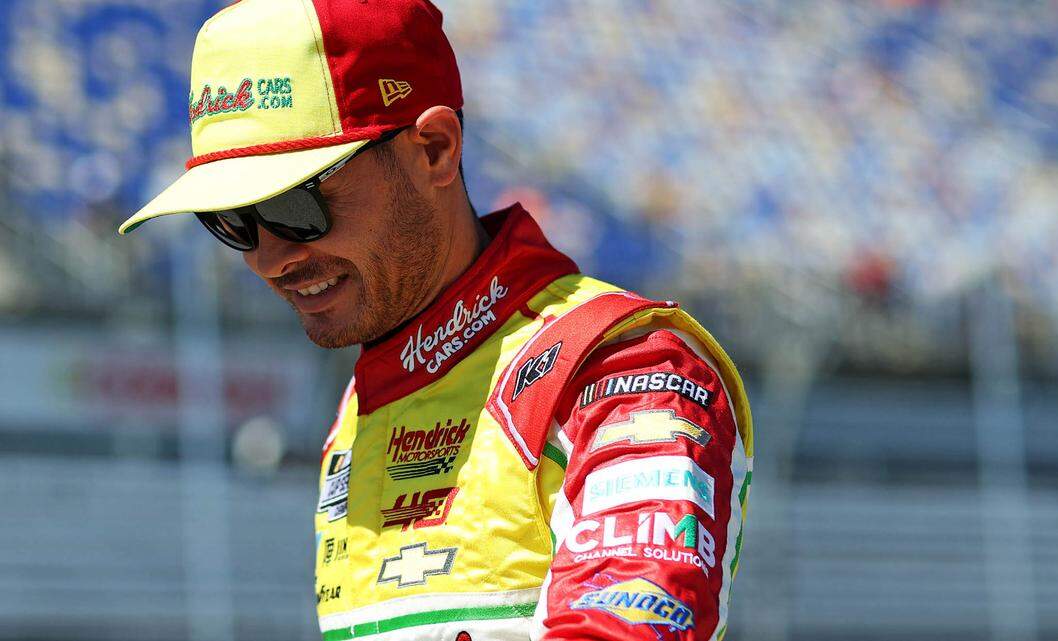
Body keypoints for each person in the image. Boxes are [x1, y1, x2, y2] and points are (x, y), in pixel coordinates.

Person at [118, 1, 753, 639]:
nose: (268, 257)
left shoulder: (620, 366)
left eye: (294, 204)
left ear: (434, 150)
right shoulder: (362, 404)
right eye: (231, 222)